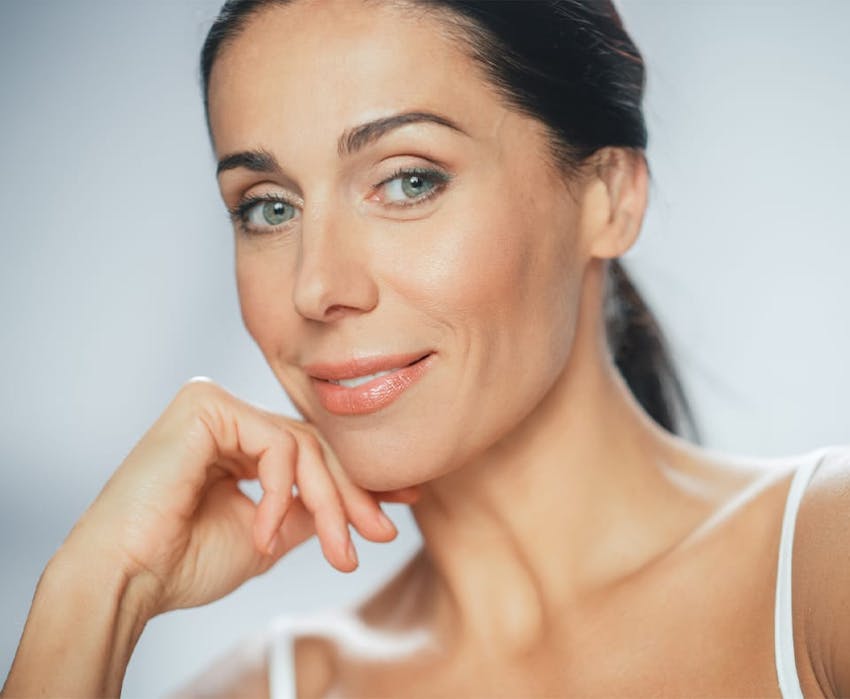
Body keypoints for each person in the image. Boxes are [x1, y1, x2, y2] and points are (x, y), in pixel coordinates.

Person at [3, 0, 849, 696]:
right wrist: (99, 587)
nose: (316, 286)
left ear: (608, 197)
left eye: (409, 180)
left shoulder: (822, 563)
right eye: (267, 206)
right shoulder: (277, 688)